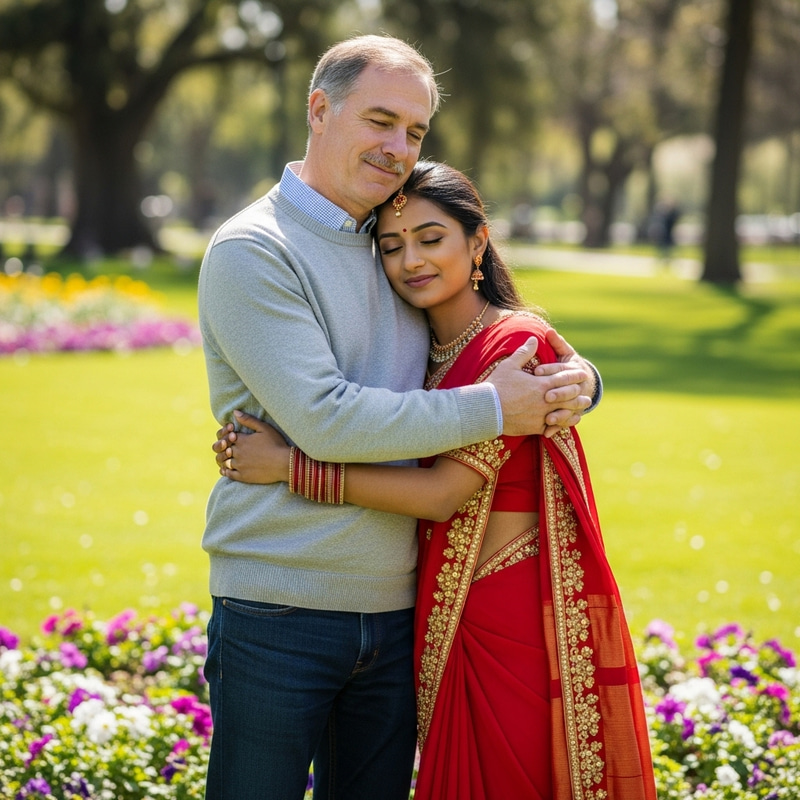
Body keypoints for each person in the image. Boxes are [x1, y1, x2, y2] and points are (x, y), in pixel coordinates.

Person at [198, 34, 599, 800]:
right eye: (381, 121)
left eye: (414, 131)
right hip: (281, 605)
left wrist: (582, 377)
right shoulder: (253, 251)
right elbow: (327, 419)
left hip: (397, 610)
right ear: (320, 110)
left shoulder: (397, 238)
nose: (397, 147)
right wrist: (495, 409)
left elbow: (495, 331)